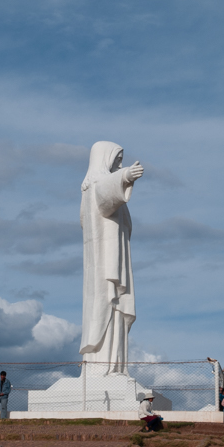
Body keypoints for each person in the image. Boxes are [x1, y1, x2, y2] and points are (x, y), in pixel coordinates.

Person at [79, 142, 143, 377]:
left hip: (116, 260)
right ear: (104, 158)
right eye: (117, 159)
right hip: (106, 264)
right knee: (107, 304)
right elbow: (107, 199)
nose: (119, 163)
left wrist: (123, 176)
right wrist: (125, 176)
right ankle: (102, 369)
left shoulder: (94, 186)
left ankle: (116, 367)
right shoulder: (95, 184)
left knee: (115, 309)